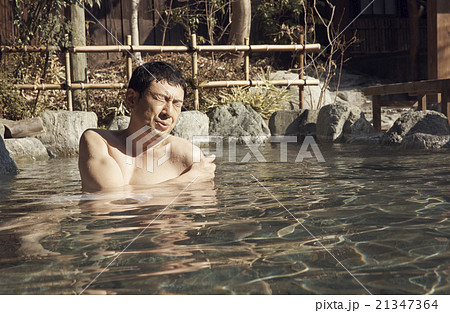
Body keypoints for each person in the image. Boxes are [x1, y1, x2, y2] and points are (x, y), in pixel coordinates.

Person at [78, 61, 215, 192]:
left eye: (177, 104)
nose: (169, 112)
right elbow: (107, 199)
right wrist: (187, 180)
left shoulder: (188, 157)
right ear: (132, 99)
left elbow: (200, 210)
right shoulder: (100, 142)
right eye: (160, 98)